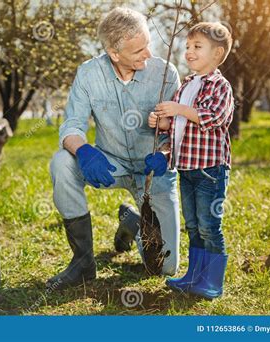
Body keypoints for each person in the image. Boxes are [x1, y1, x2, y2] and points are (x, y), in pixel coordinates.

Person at [47, 7, 181, 289]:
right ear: (114, 53)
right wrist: (83, 151)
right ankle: (83, 263)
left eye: (148, 45)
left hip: (152, 172)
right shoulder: (88, 74)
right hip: (110, 164)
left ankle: (132, 221)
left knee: (163, 267)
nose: (148, 54)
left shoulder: (166, 73)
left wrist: (166, 154)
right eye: (138, 51)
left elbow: (180, 131)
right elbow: (71, 126)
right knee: (61, 162)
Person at [147, 22, 234, 299]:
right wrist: (160, 121)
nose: (189, 52)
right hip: (186, 168)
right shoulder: (186, 85)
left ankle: (212, 282)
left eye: (197, 47)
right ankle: (194, 276)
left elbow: (213, 117)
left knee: (210, 226)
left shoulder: (220, 85)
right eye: (187, 47)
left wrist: (179, 109)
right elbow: (176, 128)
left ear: (217, 54)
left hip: (210, 170)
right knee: (193, 225)